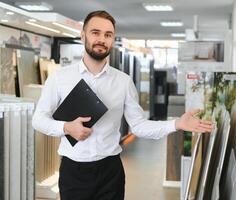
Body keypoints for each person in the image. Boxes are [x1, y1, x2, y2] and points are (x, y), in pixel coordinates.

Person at [32, 10, 213, 200]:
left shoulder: (123, 82)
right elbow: (38, 119)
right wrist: (66, 127)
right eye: (96, 32)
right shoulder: (60, 78)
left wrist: (176, 124)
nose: (102, 39)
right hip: (73, 171)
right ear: (83, 35)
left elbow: (139, 126)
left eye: (108, 35)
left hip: (110, 171)